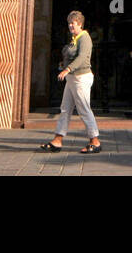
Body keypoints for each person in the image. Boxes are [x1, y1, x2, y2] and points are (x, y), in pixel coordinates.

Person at [41, 10, 101, 153]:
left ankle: (95, 141)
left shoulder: (84, 38)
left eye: (73, 23)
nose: (70, 26)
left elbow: (81, 58)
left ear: (80, 24)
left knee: (84, 109)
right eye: (69, 23)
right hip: (72, 79)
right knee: (65, 109)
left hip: (81, 78)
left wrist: (67, 69)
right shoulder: (74, 38)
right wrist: (64, 65)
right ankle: (57, 140)